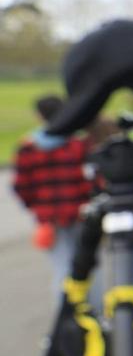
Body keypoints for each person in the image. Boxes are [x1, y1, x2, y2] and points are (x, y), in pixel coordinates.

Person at [11, 95, 98, 300]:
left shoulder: (29, 147)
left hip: (49, 218)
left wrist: (37, 206)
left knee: (62, 269)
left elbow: (22, 186)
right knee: (87, 268)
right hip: (81, 214)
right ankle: (94, 316)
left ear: (40, 116)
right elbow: (92, 180)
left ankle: (67, 322)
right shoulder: (78, 143)